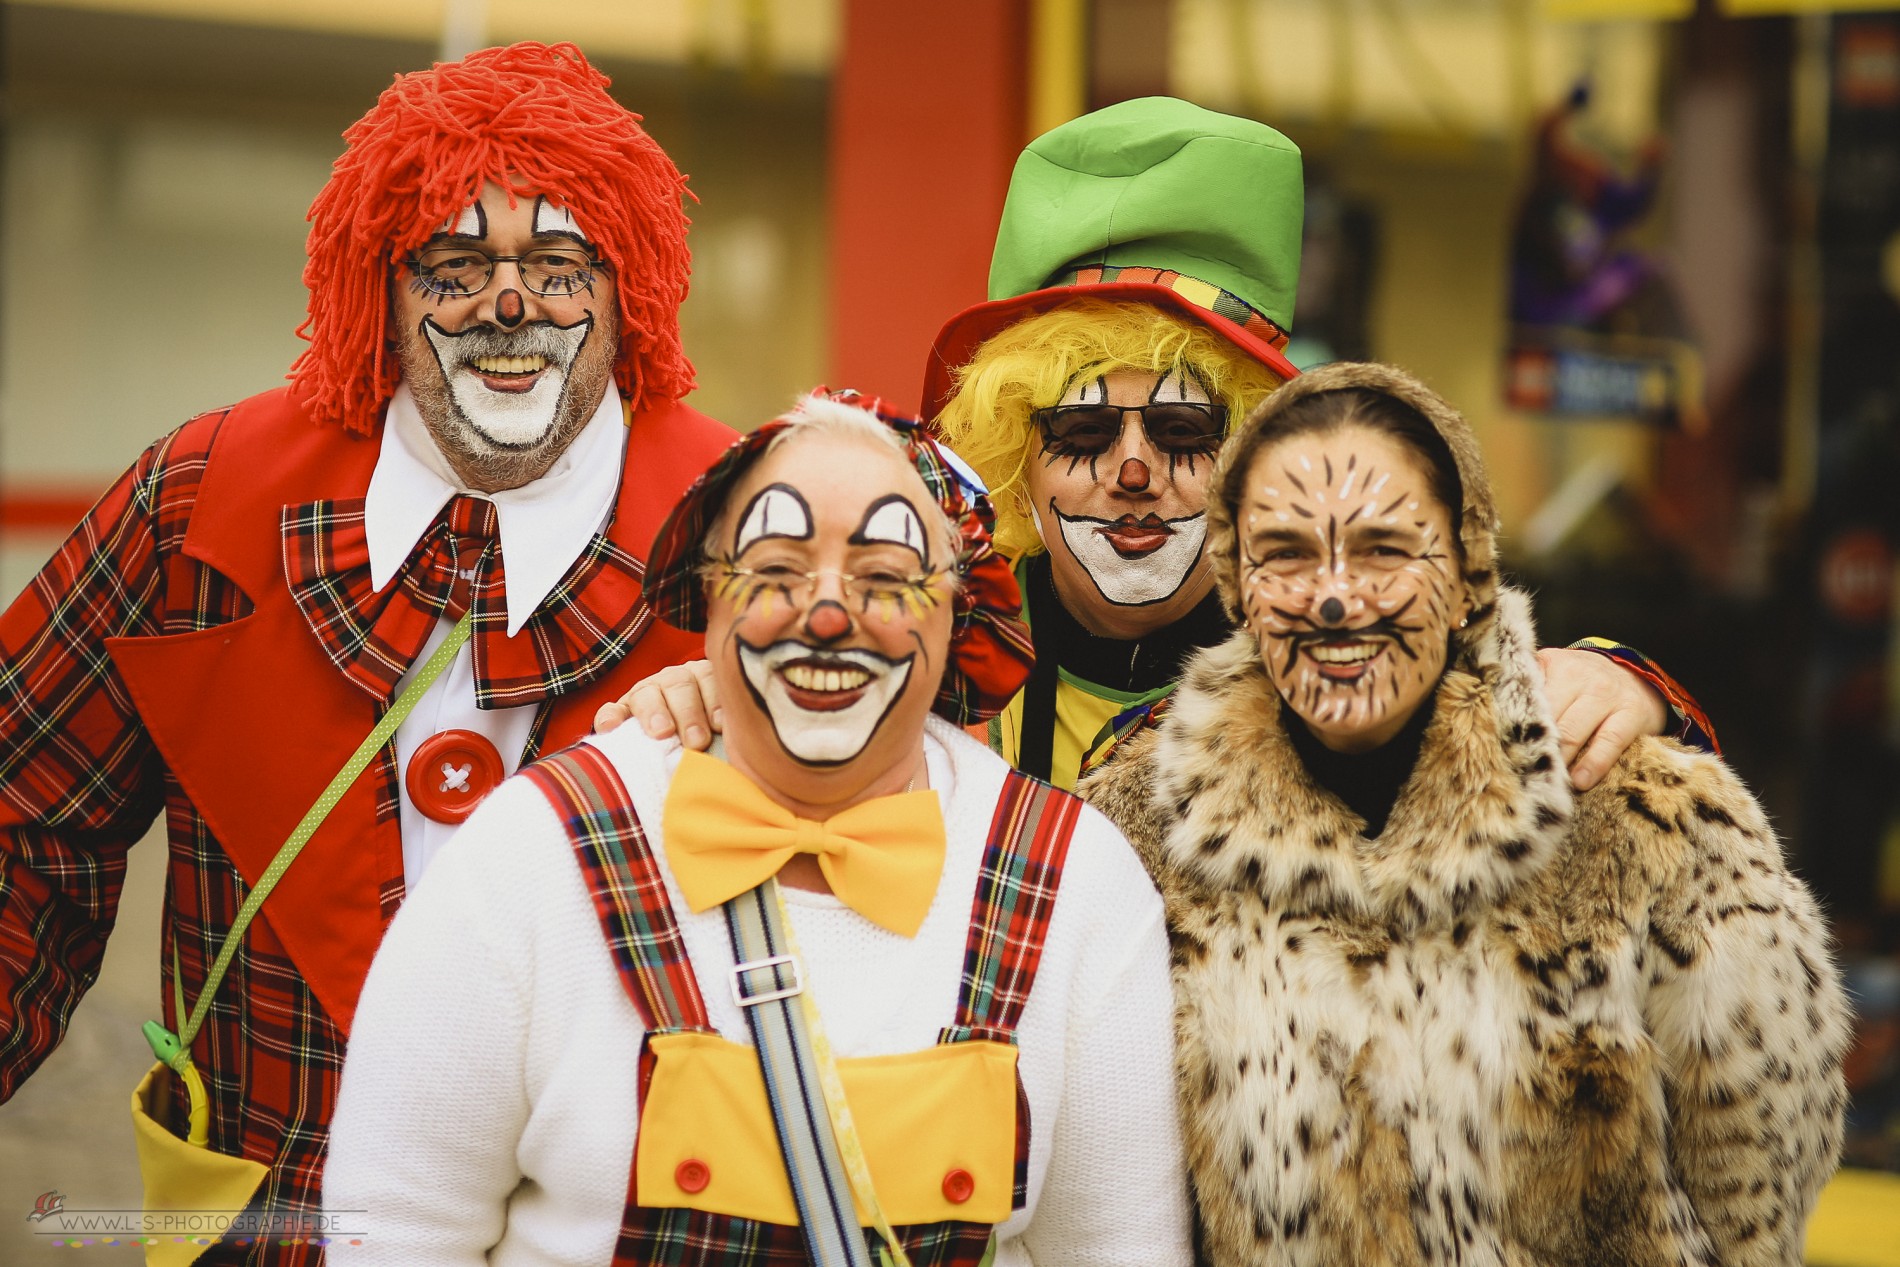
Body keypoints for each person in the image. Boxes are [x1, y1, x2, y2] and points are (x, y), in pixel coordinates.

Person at [0, 42, 732, 1260]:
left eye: (557, 263)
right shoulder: (205, 502)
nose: (508, 303)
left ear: (632, 286)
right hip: (277, 1225)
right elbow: (22, 822)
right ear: (375, 292)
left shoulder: (749, 528)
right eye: (454, 264)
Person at [610, 97, 1712, 793]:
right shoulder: (931, 657)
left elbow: (1509, 702)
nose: (1132, 469)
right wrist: (708, 700)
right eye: (1082, 429)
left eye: (1186, 429)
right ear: (1018, 462)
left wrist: (1624, 685)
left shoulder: (1331, 643)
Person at [323, 392, 1190, 1267]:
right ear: (711, 597)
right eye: (775, 569)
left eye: (886, 578)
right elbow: (392, 1229)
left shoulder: (1075, 882)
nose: (824, 614)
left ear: (956, 614)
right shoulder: (535, 849)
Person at [1081, 362, 1850, 1267]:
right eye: (1286, 551)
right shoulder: (1133, 839)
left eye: (1384, 548)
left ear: (1468, 569)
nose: (1335, 598)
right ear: (1239, 586)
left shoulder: (1646, 819)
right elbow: (1110, 1209)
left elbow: (1760, 1194)